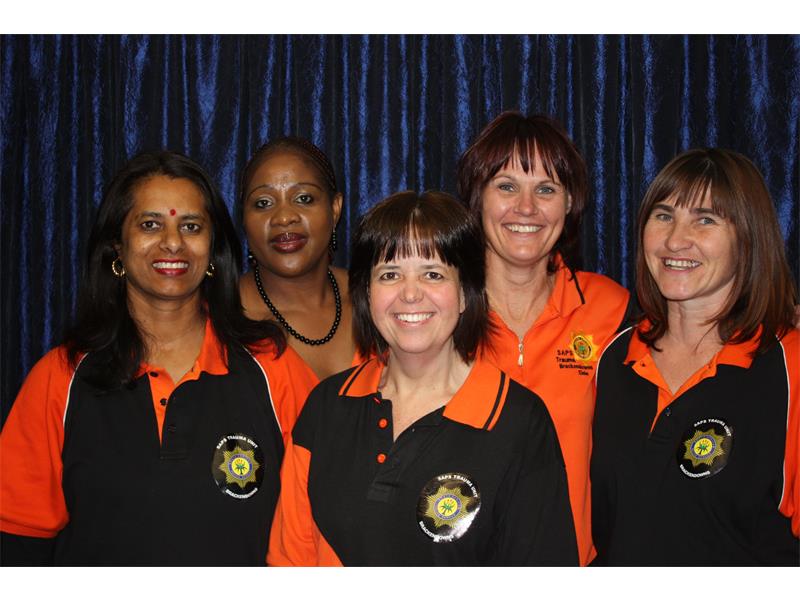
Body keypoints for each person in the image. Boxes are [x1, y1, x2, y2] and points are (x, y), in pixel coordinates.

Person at [0, 151, 316, 566]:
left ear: (213, 251)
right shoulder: (60, 376)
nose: (173, 242)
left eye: (191, 226)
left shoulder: (274, 369)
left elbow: (320, 521)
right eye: (150, 225)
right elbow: (18, 541)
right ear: (117, 245)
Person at [267, 191, 578, 566]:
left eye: (433, 274)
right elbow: (290, 562)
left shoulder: (519, 422)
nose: (411, 294)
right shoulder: (326, 407)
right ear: (367, 293)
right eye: (390, 274)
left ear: (465, 293)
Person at [591, 148, 799, 565]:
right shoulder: (615, 359)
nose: (675, 240)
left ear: (748, 238)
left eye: (705, 220)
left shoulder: (789, 365)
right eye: (663, 215)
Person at [456, 111, 631, 565]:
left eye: (546, 189)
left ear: (570, 202)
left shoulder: (612, 309)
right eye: (506, 186)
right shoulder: (436, 312)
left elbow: (694, 348)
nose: (526, 208)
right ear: (477, 198)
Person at [239, 136, 357, 382]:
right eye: (263, 203)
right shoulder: (218, 315)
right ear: (244, 219)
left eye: (304, 198)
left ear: (335, 209)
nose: (284, 217)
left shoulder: (377, 299)